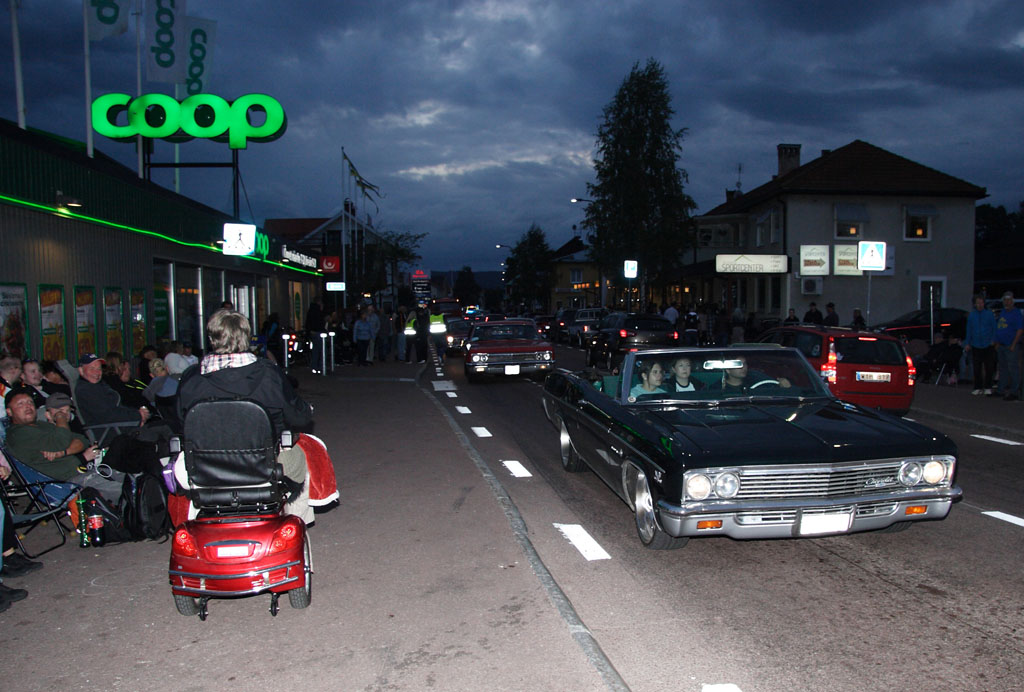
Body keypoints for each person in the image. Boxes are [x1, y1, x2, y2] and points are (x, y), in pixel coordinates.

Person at [177, 309, 314, 523]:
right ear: (246, 337)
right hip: (263, 464)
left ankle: (195, 523)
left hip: (205, 466)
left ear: (212, 338)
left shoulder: (191, 378)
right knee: (303, 461)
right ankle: (294, 526)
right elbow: (299, 418)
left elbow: (180, 423)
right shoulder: (269, 374)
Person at [4, 390, 123, 499]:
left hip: (82, 470)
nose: (28, 406)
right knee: (125, 492)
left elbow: (82, 439)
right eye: (20, 404)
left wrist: (64, 452)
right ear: (9, 411)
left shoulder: (40, 425)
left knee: (130, 478)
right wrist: (60, 417)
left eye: (30, 402)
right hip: (66, 482)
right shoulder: (17, 434)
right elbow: (61, 442)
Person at [75, 353, 150, 428]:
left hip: (119, 425)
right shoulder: (86, 390)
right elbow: (107, 415)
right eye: (92, 369)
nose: (97, 372)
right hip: (109, 430)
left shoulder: (99, 385)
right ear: (81, 370)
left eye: (99, 369)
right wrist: (138, 416)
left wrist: (137, 414)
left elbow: (117, 407)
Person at [964, 295, 997, 395]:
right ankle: (977, 387)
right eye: (978, 303)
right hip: (976, 344)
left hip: (988, 344)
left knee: (989, 367)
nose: (980, 305)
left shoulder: (989, 314)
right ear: (974, 304)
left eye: (981, 302)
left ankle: (988, 386)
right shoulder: (972, 316)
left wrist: (993, 340)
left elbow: (994, 328)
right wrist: (967, 343)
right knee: (977, 367)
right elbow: (969, 330)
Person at [993, 291, 1022, 401]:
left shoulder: (1016, 313)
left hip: (1011, 345)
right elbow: (999, 327)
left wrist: (1014, 344)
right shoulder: (1003, 312)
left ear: (1012, 301)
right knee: (1002, 368)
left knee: (1013, 369)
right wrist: (997, 342)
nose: (1007, 302)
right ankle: (1001, 390)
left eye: (1009, 300)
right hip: (1001, 345)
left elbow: (1020, 330)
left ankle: (1014, 392)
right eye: (1005, 300)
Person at [717, 357, 791, 393]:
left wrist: (785, 387)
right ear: (728, 370)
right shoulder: (717, 388)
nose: (744, 367)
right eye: (739, 365)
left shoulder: (755, 380)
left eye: (745, 363)